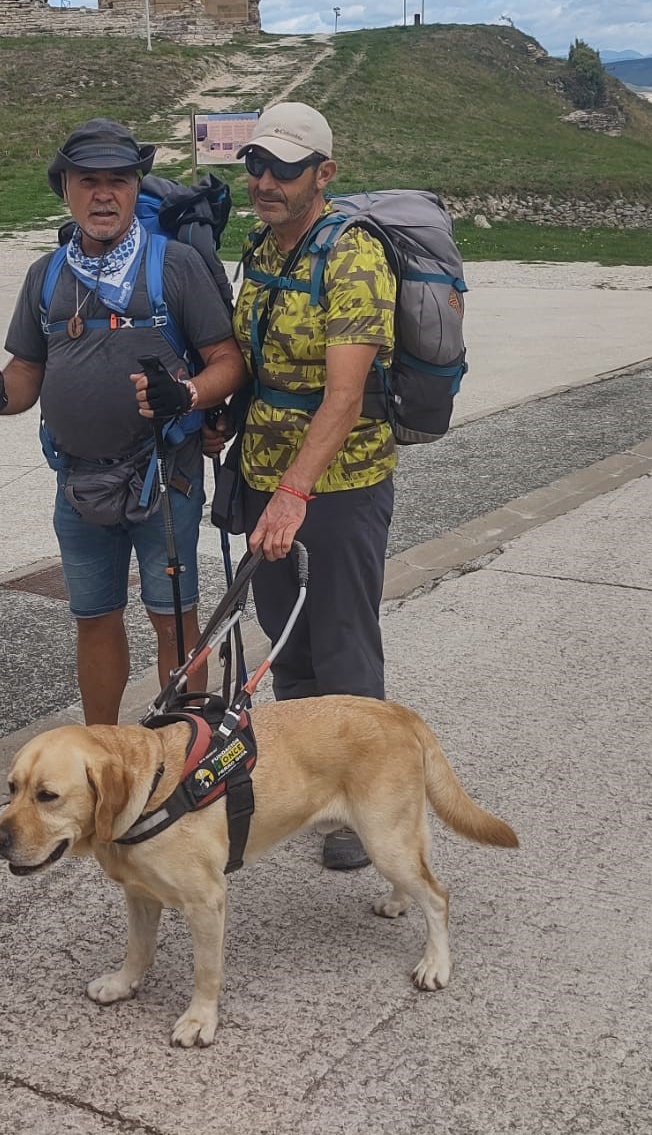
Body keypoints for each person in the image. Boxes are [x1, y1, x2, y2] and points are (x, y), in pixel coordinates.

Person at [0, 119, 246, 727]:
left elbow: (229, 361)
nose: (103, 195)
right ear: (64, 188)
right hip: (78, 482)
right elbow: (27, 373)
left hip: (164, 479)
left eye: (118, 181)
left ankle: (180, 751)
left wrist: (189, 393)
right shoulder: (45, 276)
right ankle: (102, 751)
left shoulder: (173, 266)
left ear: (135, 186)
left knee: (174, 619)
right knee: (92, 618)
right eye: (87, 181)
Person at [229, 101, 397, 870]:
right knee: (287, 640)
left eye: (284, 170)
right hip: (268, 478)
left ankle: (366, 808)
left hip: (339, 483)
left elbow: (345, 396)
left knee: (344, 648)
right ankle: (307, 787)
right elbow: (254, 358)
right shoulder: (262, 247)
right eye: (256, 165)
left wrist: (296, 491)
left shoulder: (355, 256)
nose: (265, 181)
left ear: (323, 175)